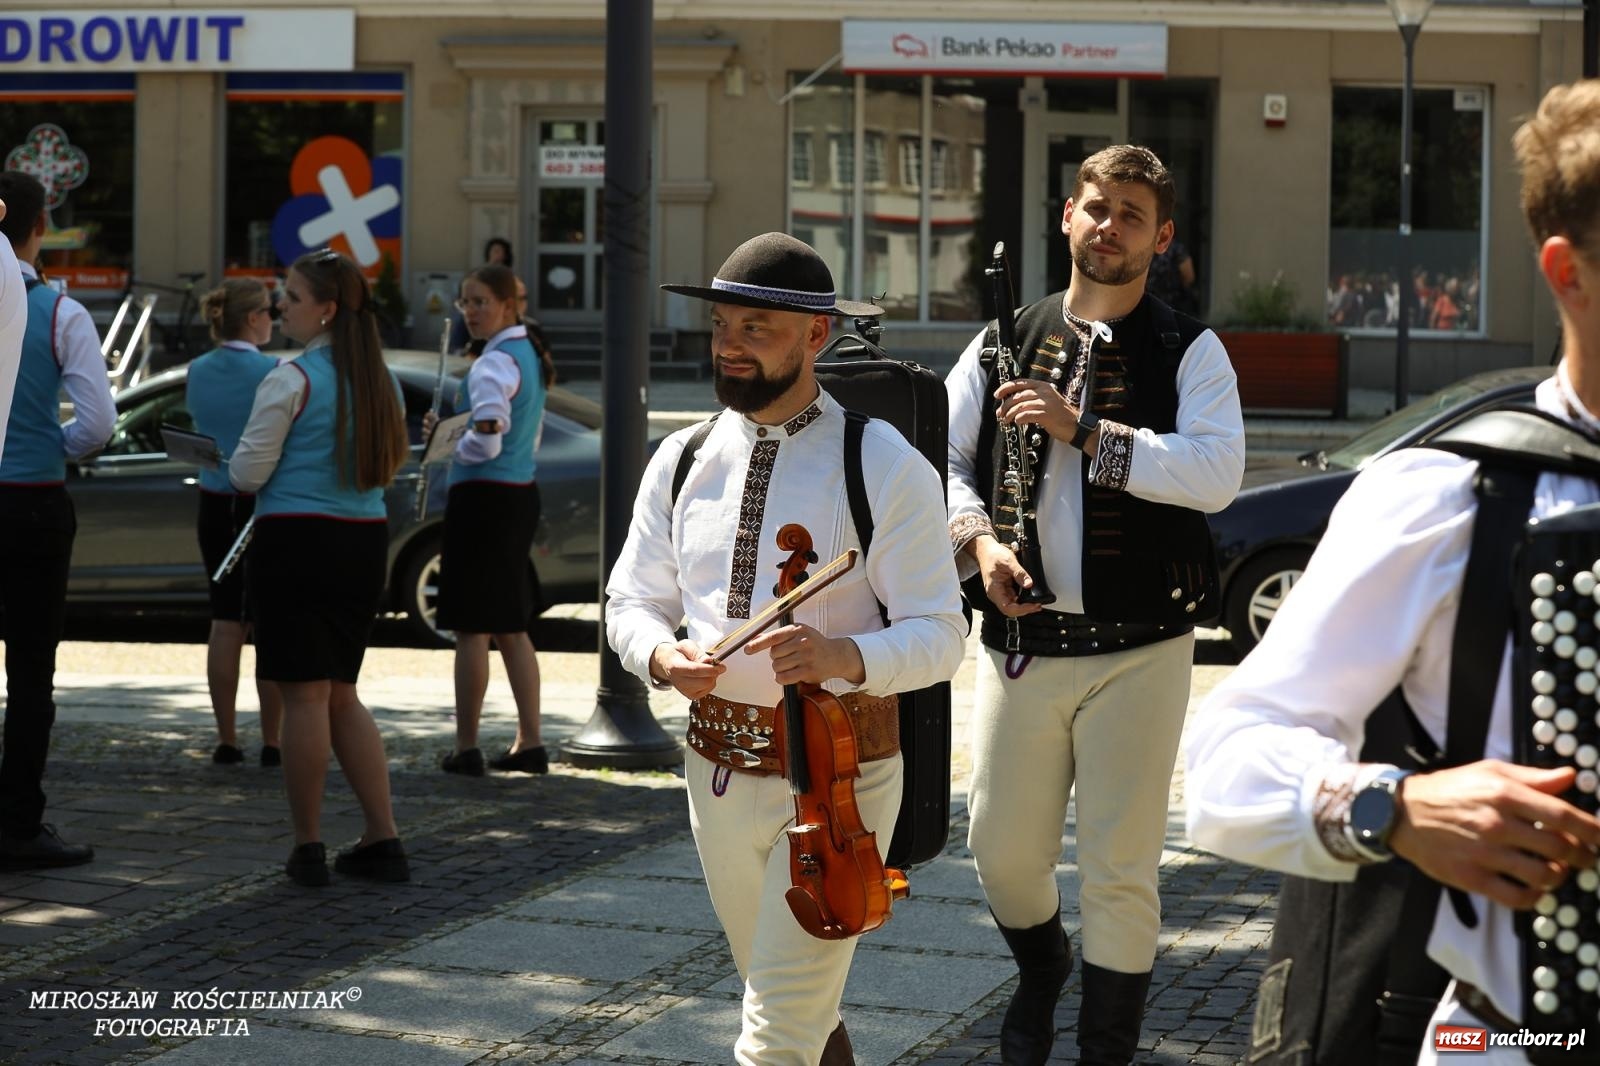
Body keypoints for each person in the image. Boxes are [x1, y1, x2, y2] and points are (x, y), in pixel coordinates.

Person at [1185, 79, 1600, 1062]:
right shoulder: (1456, 496)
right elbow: (1224, 762)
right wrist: (1394, 807)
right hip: (1518, 1034)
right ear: (1566, 269)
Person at [606, 231, 966, 1065]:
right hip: (717, 770)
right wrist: (661, 659)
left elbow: (943, 635)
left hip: (837, 779)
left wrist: (846, 657)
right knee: (789, 998)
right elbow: (631, 600)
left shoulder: (882, 463)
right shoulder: (682, 457)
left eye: (754, 330)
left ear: (816, 336)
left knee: (773, 1034)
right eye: (721, 326)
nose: (729, 347)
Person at [945, 145, 1244, 1064]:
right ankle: (1042, 969)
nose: (1108, 224)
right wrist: (979, 545)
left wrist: (1086, 433)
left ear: (1160, 238)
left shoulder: (1189, 348)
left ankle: (1104, 1048)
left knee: (1120, 868)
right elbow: (945, 466)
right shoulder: (1002, 337)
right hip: (1021, 646)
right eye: (1095, 206)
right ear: (1067, 215)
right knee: (1000, 853)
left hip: (1142, 645)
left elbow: (1215, 473)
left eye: (1130, 213)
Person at [229, 249, 411, 887]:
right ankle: (382, 835)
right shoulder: (377, 377)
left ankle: (308, 844)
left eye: (292, 296)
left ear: (326, 309)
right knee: (342, 693)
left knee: (303, 696)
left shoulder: (291, 377)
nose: (282, 305)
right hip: (362, 541)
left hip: (297, 541)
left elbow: (247, 473)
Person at [0, 173, 116, 871]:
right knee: (31, 670)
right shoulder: (58, 311)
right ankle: (17, 821)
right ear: (40, 227)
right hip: (35, 500)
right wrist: (51, 447)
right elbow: (98, 423)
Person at [433, 264, 549, 776]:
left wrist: (450, 437)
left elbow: (489, 433)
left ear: (507, 304)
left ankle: (467, 745)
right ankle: (531, 740)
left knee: (471, 629)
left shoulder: (492, 363)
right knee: (509, 625)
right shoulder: (526, 353)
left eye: (479, 301)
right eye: (465, 303)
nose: (471, 312)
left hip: (483, 498)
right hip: (518, 493)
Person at [186, 279, 286, 767]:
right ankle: (274, 739)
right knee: (268, 622)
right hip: (257, 502)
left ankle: (226, 736)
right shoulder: (272, 371)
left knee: (225, 621)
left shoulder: (199, 369)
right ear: (253, 318)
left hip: (211, 500)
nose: (274, 318)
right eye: (269, 311)